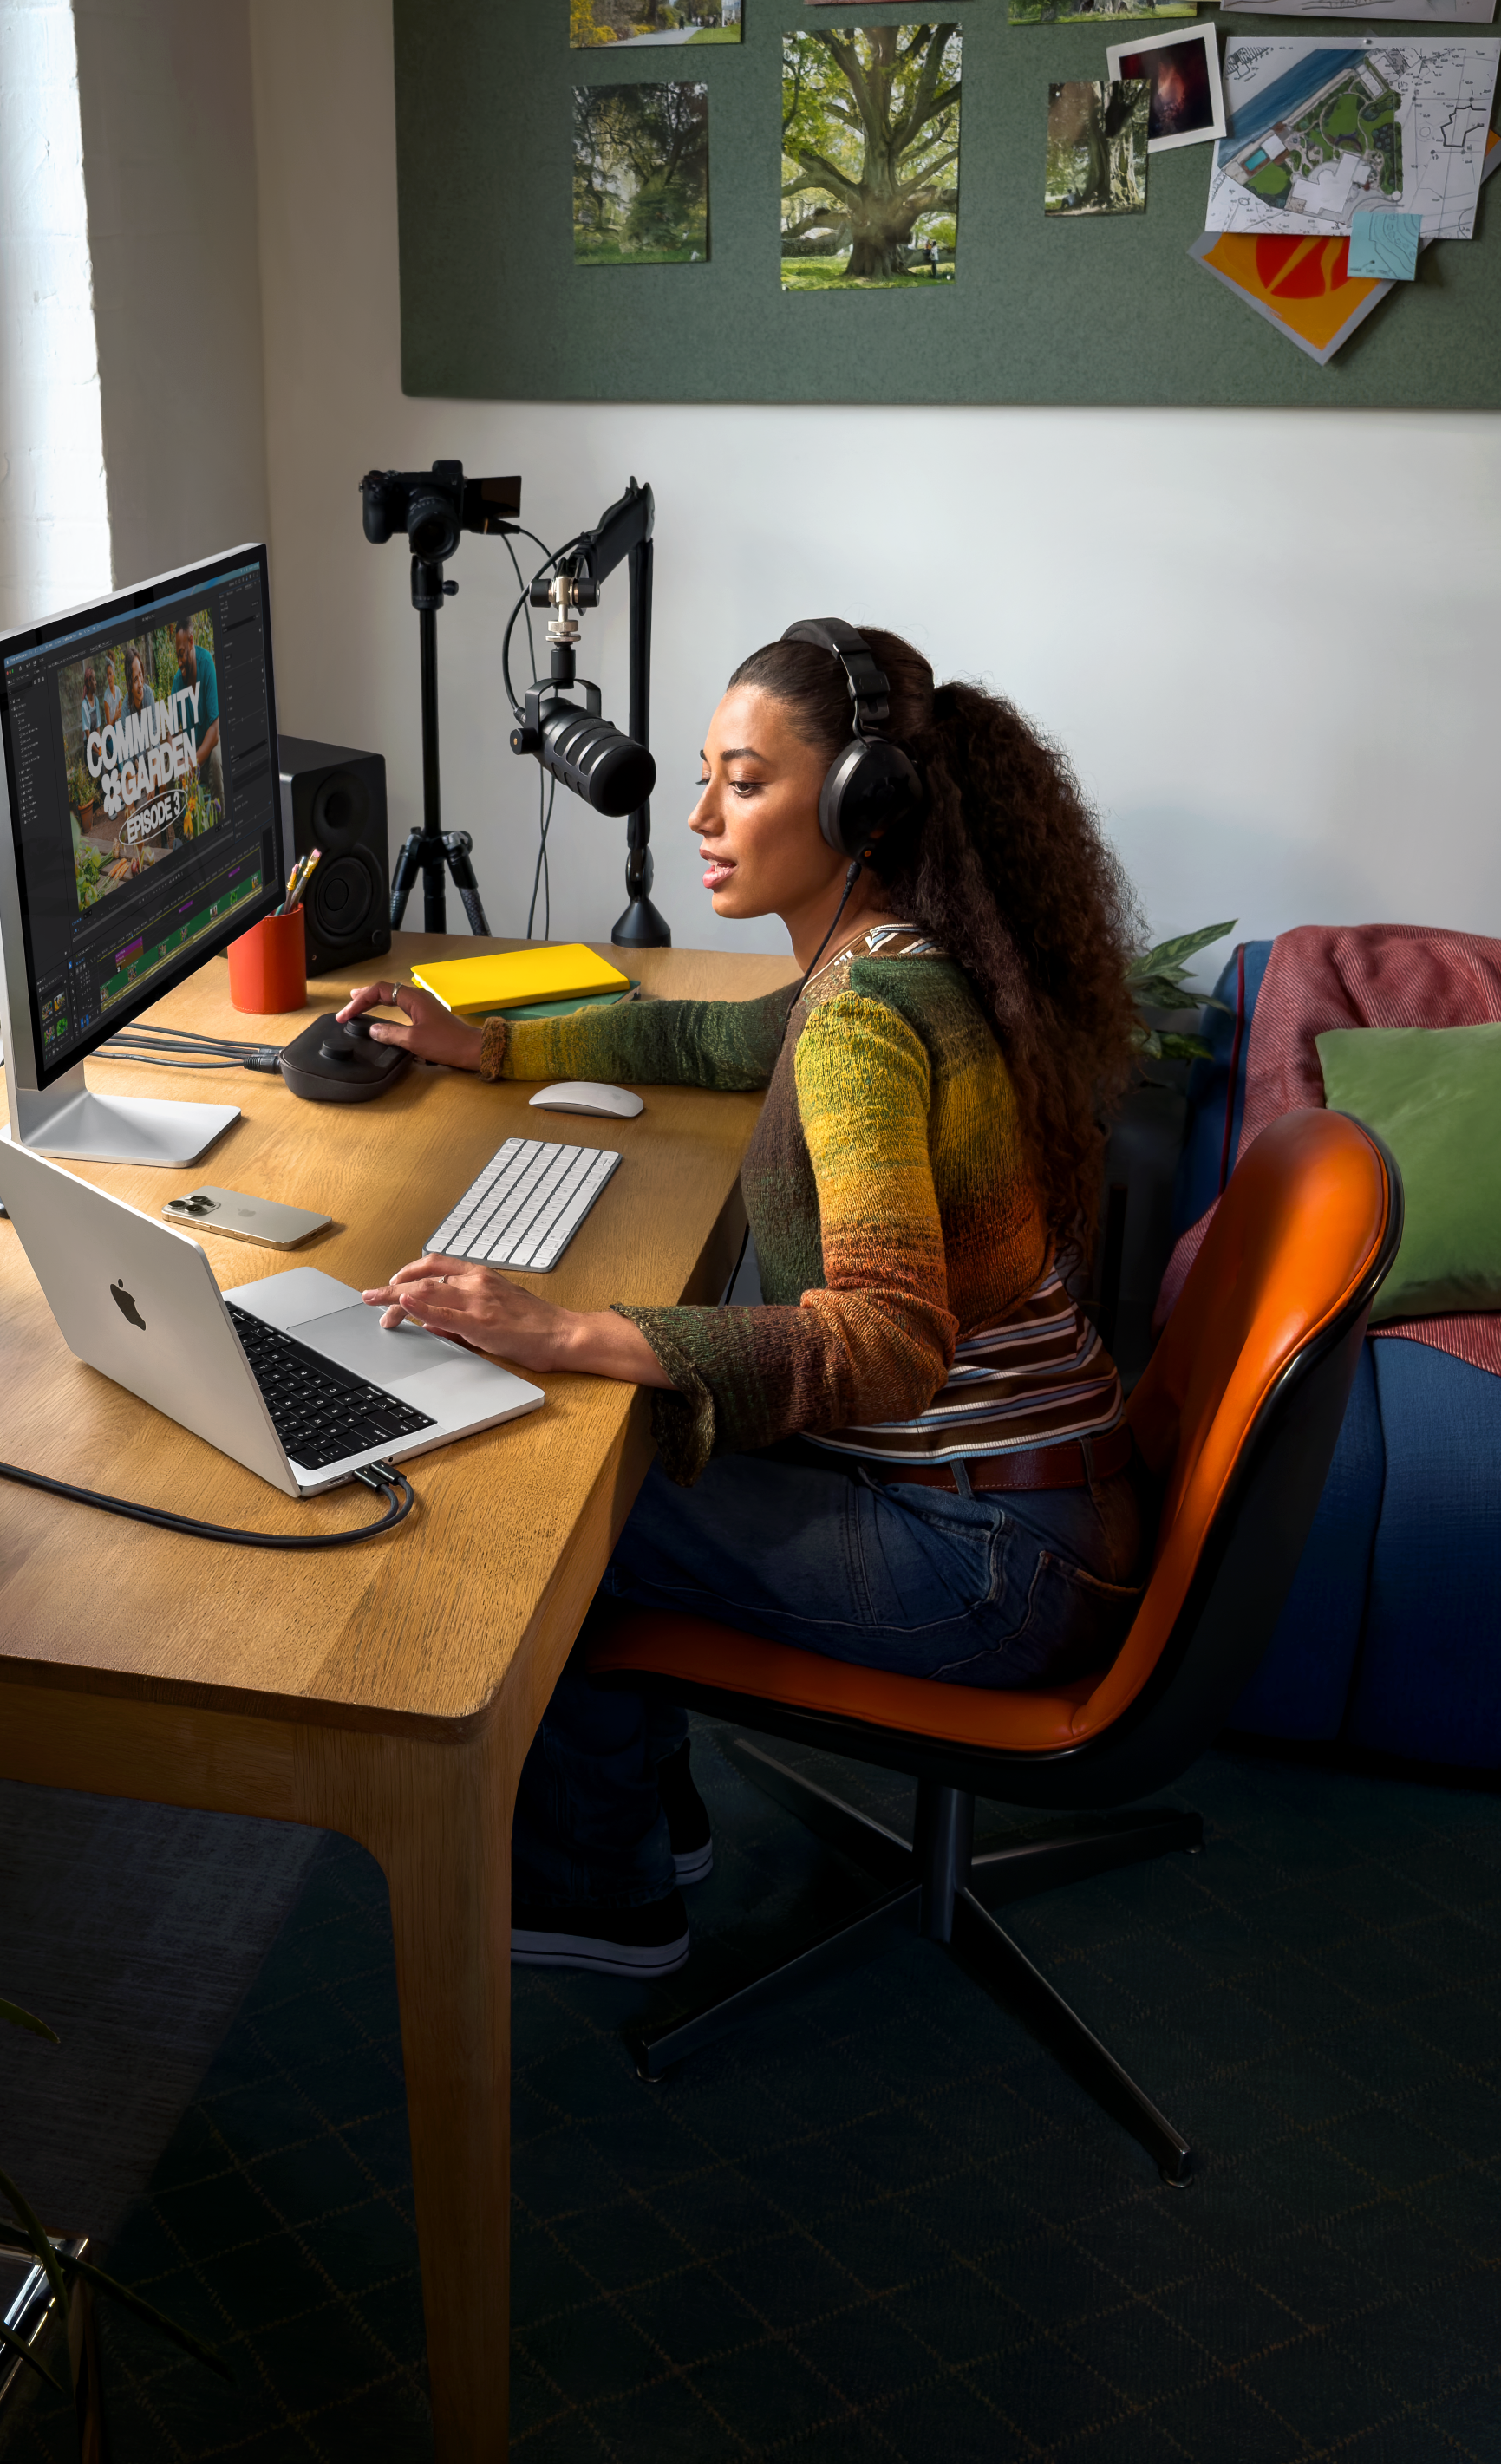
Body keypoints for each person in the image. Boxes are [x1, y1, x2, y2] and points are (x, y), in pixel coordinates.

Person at [336, 625, 1150, 1977]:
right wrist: (486, 1042)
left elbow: (887, 1346)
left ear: (856, 807)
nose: (700, 817)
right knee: (620, 1445)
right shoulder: (892, 958)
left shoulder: (865, 1019)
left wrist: (568, 1328)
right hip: (1048, 1502)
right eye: (707, 778)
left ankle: (604, 1888)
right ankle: (652, 1820)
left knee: (556, 1507)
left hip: (993, 1562)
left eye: (746, 782)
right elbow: (705, 1036)